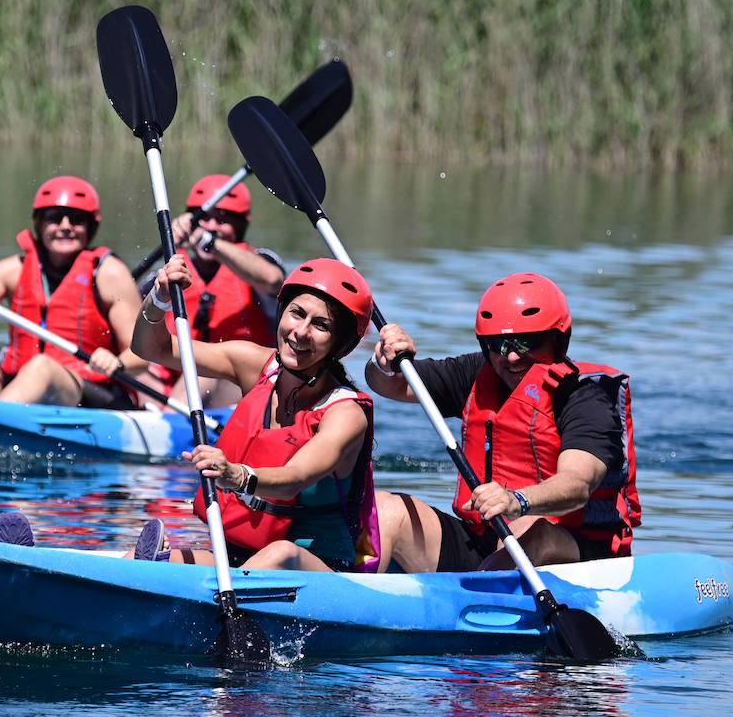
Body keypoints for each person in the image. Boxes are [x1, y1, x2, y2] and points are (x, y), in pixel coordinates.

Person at [366, 273, 641, 573]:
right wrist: (384, 362)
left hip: (572, 552)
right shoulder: (477, 373)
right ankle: (351, 590)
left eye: (526, 343)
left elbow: (577, 484)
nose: (510, 356)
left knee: (527, 528)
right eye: (498, 344)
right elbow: (388, 385)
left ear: (558, 340)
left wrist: (516, 500)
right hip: (488, 542)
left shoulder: (585, 397)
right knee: (385, 509)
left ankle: (481, 597)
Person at [126, 254, 384, 572]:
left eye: (321, 325)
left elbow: (295, 478)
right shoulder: (253, 363)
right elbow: (151, 348)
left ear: (339, 344)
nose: (301, 332)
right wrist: (160, 298)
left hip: (317, 568)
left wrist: (237, 476)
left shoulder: (345, 413)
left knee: (279, 553)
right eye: (297, 314)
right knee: (139, 563)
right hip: (240, 560)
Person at [0, 175, 147, 408]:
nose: (65, 226)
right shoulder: (14, 270)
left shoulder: (110, 274)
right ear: (39, 224)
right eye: (54, 218)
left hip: (90, 390)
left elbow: (141, 353)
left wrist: (117, 362)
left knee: (41, 368)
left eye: (76, 220)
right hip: (19, 383)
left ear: (91, 227)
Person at [137, 175, 286, 409]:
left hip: (237, 385)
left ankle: (165, 425)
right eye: (204, 219)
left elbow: (272, 280)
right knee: (135, 367)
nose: (214, 226)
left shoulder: (260, 261)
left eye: (223, 221)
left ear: (240, 226)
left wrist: (208, 240)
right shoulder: (168, 270)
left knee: (202, 374)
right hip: (172, 385)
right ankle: (156, 417)